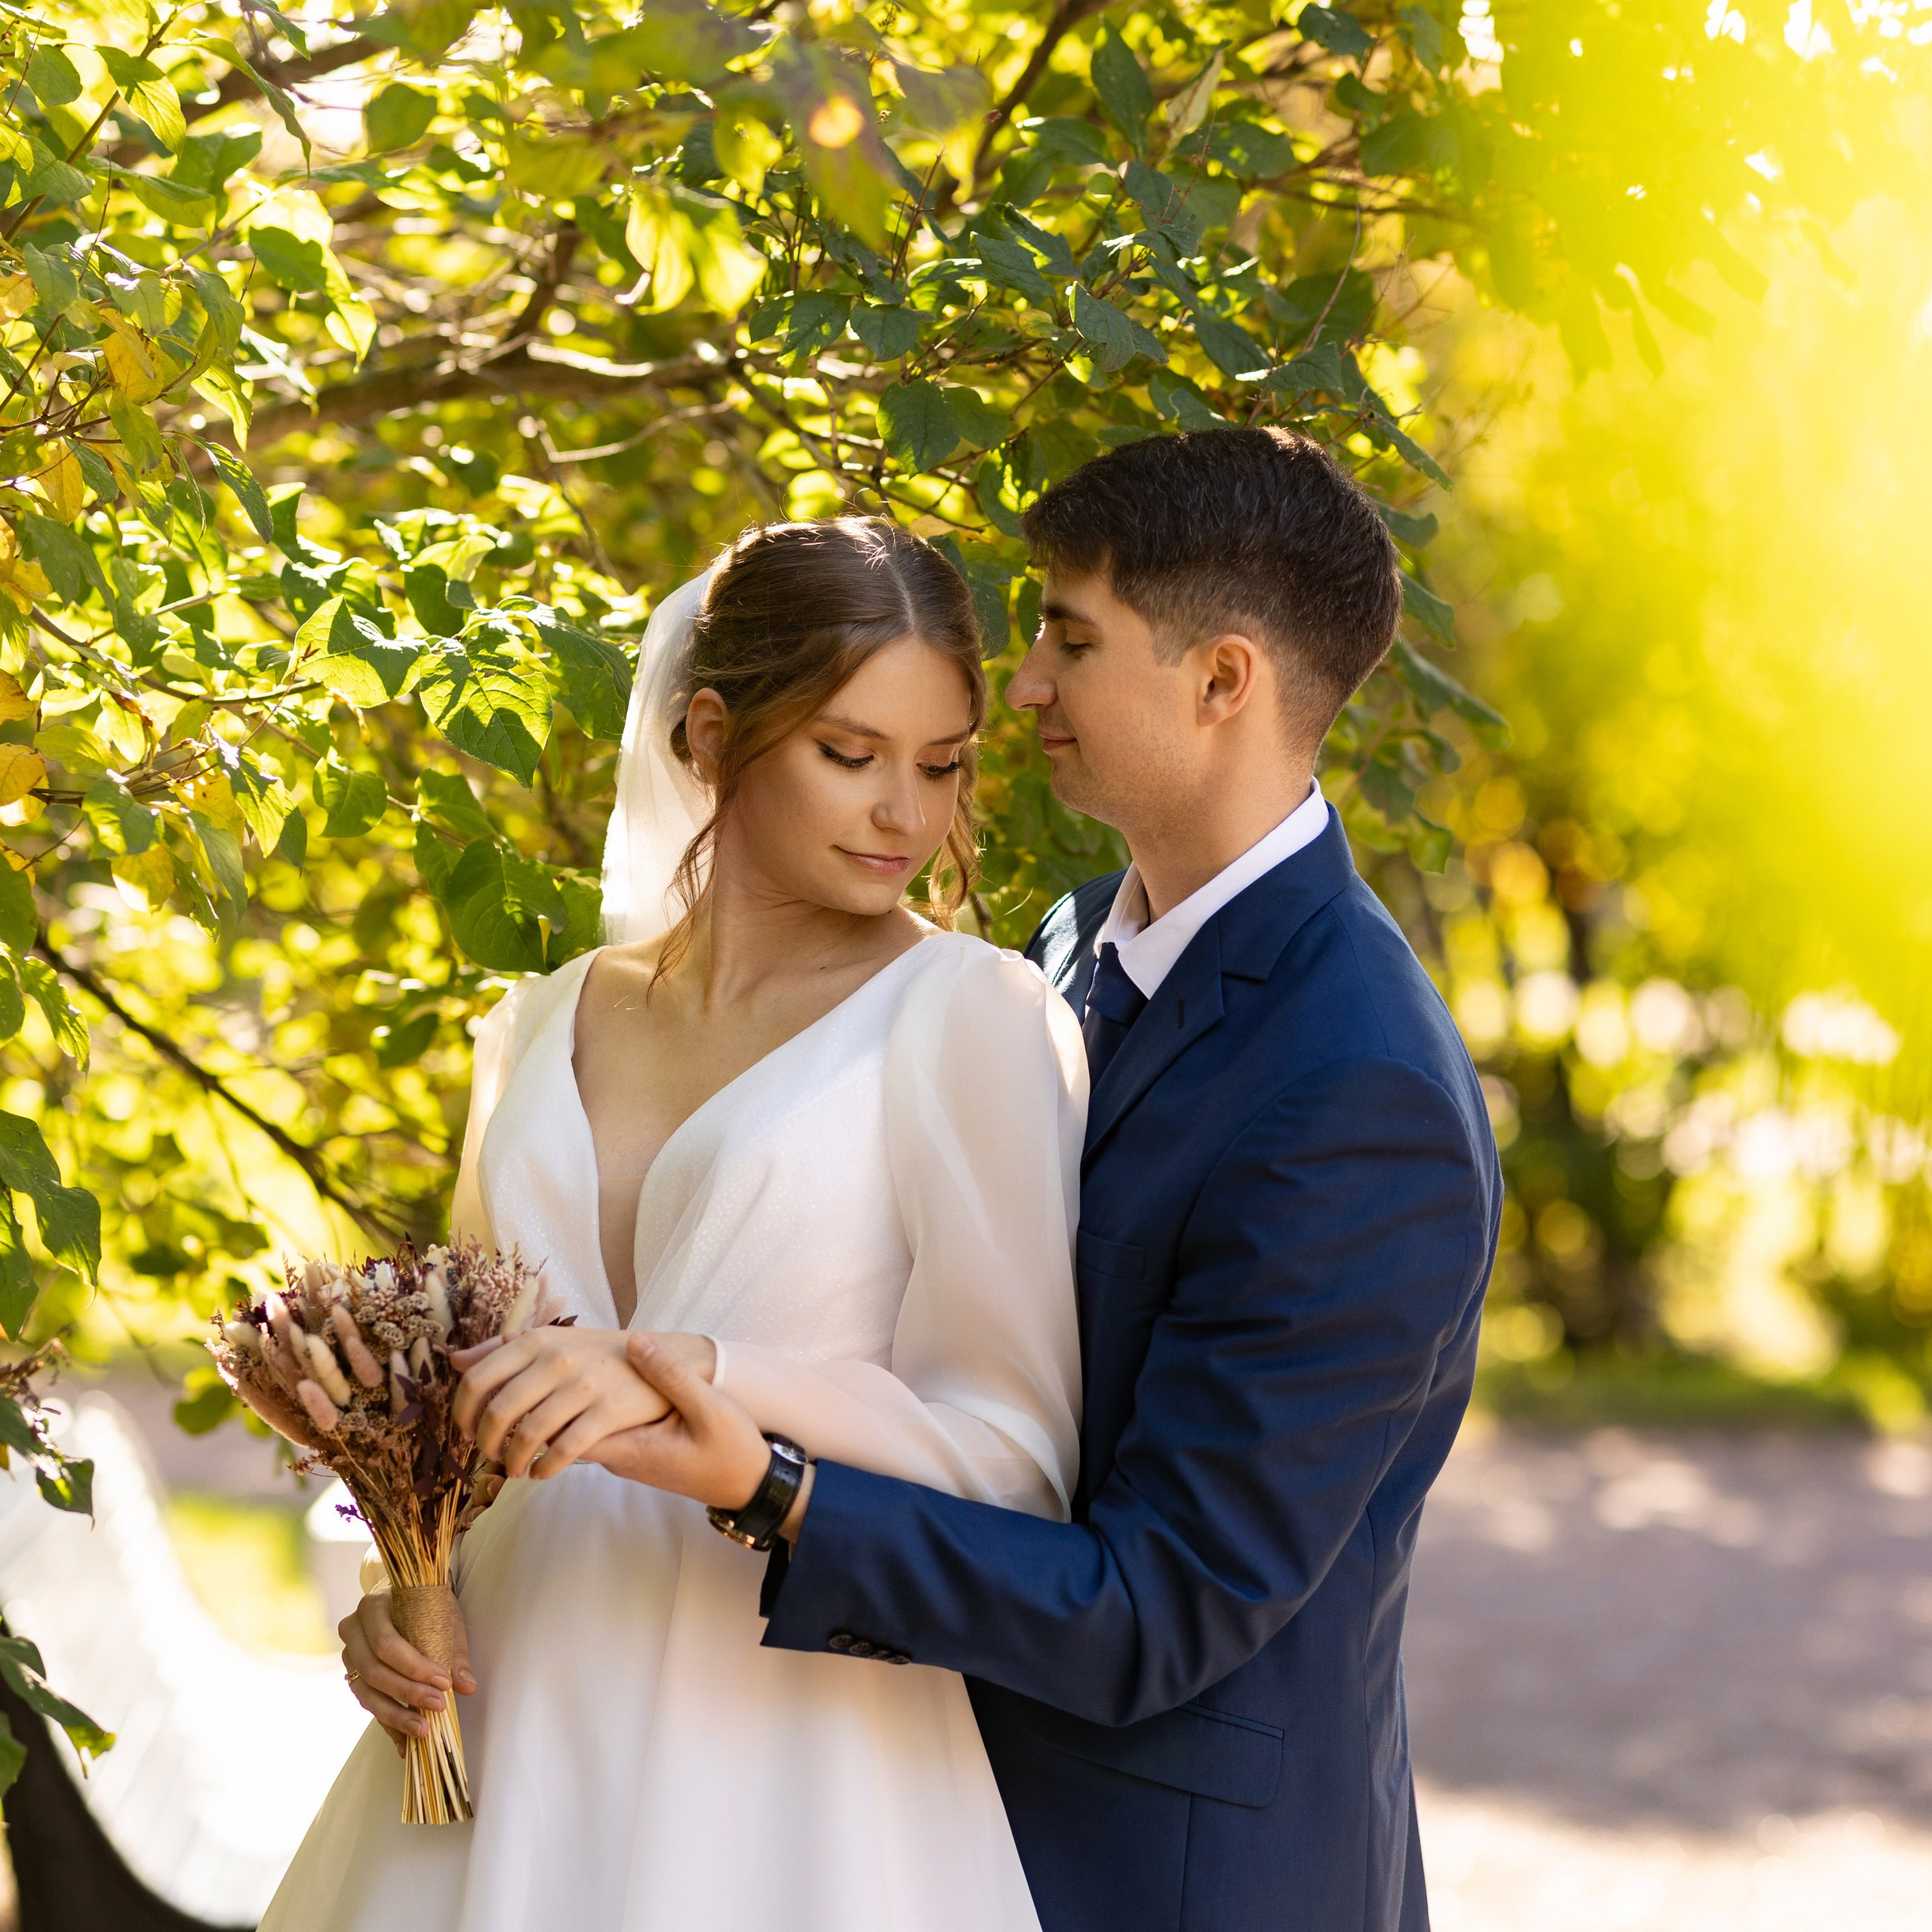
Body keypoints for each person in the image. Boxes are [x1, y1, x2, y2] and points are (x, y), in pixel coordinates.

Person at [549, 429, 1504, 1931]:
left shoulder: (1355, 1086)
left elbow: (1158, 1602)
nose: (1026, 687)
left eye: (1069, 637)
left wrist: (770, 1480)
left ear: (1221, 680)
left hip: (1162, 1875)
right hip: (878, 1811)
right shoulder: (1056, 947)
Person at [266, 518, 1086, 1932]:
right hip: (492, 1738)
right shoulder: (533, 1028)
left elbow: (1016, 1462)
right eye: (851, 753)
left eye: (942, 766)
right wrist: (395, 1588)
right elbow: (456, 1419)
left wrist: (705, 1373)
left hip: (790, 1770)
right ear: (711, 733)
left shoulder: (975, 1021)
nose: (908, 813)